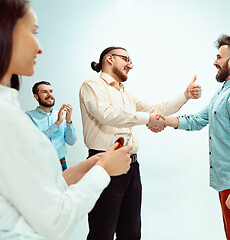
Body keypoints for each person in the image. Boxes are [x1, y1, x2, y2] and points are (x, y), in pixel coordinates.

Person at [0, 0, 133, 239]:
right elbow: (55, 219)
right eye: (33, 32)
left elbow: (44, 187)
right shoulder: (9, 119)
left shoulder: (10, 112)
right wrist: (102, 170)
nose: (39, 47)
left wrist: (91, 164)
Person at [79, 46, 202, 240]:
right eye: (126, 59)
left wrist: (185, 95)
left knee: (132, 232)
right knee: (102, 232)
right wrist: (148, 119)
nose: (130, 65)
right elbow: (107, 114)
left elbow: (156, 109)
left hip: (131, 166)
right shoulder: (92, 86)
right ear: (109, 59)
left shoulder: (126, 94)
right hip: (103, 163)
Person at [159, 35, 230, 240]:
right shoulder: (224, 92)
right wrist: (164, 120)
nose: (215, 62)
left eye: (219, 57)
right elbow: (198, 119)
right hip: (226, 181)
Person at [26, 81, 77, 171]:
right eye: (44, 92)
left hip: (61, 164)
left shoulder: (60, 115)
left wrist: (68, 121)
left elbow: (71, 141)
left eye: (51, 91)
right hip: (40, 165)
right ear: (36, 96)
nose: (49, 95)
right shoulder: (28, 116)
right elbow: (36, 141)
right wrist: (57, 124)